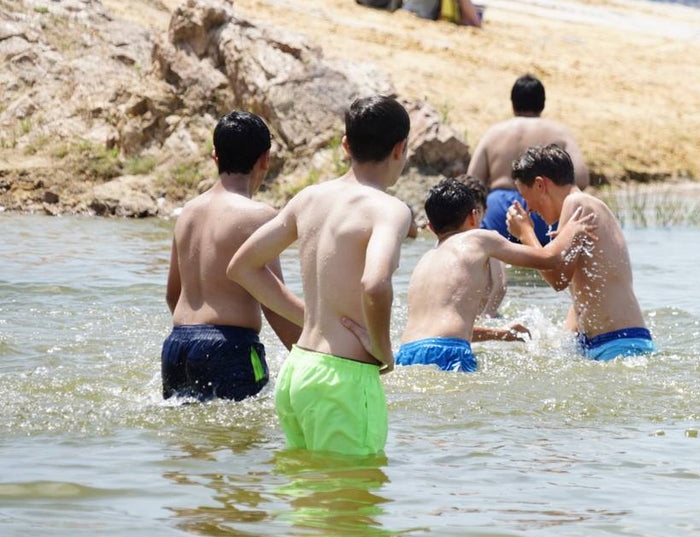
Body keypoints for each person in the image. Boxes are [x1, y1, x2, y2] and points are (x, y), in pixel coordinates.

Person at [227, 95, 413, 456]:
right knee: (350, 506)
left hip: (299, 371)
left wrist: (309, 316)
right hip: (344, 378)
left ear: (346, 145)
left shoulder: (308, 198)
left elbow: (243, 266)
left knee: (307, 503)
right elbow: (375, 283)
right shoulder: (390, 210)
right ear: (400, 148)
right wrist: (384, 350)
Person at [355, 177, 596, 373]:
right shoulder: (480, 238)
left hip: (407, 353)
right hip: (450, 351)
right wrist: (570, 230)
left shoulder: (425, 261)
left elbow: (443, 326)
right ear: (474, 216)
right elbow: (549, 259)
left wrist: (500, 334)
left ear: (430, 227)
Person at [162, 111, 302, 402]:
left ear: (215, 156)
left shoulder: (187, 213)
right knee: (245, 443)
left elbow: (173, 295)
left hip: (176, 347)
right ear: (265, 159)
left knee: (189, 444)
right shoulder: (259, 216)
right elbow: (274, 303)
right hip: (231, 346)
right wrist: (314, 356)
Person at [510, 144, 655, 361]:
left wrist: (526, 233)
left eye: (525, 196)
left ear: (540, 184)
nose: (528, 208)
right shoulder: (584, 207)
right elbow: (582, 291)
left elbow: (558, 278)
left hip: (619, 343)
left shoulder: (576, 202)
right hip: (606, 342)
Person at [467, 74, 589, 244]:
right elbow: (582, 178)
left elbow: (473, 181)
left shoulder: (494, 133)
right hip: (543, 204)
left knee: (495, 258)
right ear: (543, 103)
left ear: (512, 103)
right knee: (545, 259)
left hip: (498, 208)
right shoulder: (560, 133)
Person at [456, 173, 507, 317]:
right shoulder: (451, 241)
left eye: (477, 211)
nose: (472, 216)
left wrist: (487, 317)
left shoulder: (489, 241)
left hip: (487, 316)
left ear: (485, 211)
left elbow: (500, 285)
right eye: (465, 211)